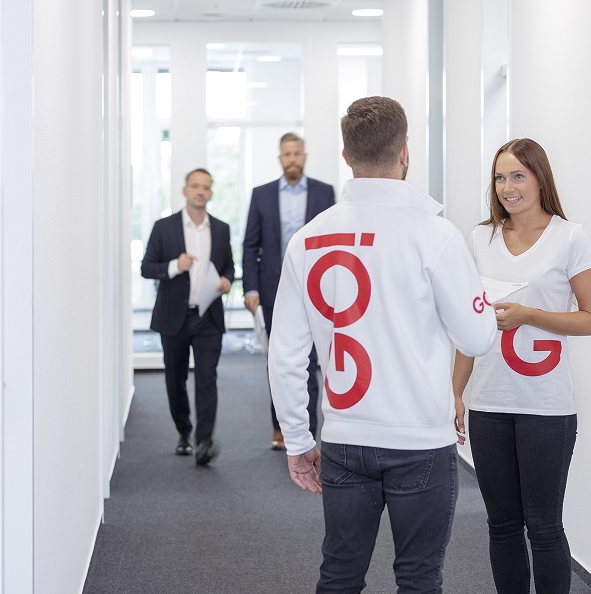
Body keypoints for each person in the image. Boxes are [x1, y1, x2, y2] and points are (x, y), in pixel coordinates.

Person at [267, 96, 497, 593]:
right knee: (417, 577)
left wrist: (299, 440)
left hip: (345, 437)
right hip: (419, 441)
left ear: (346, 157)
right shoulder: (436, 235)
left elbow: (286, 354)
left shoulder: (307, 238)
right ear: (405, 153)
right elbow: (477, 336)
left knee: (340, 574)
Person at [452, 139, 591, 594]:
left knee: (542, 526)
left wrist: (529, 315)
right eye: (500, 177)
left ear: (540, 178)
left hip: (546, 406)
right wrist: (455, 392)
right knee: (501, 525)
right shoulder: (481, 238)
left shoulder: (570, 236)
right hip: (489, 402)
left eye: (518, 175)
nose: (507, 187)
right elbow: (469, 324)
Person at [242, 132, 335, 450]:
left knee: (311, 360)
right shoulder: (261, 195)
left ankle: (308, 428)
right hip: (272, 289)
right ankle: (280, 427)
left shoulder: (324, 193)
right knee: (280, 358)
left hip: (316, 289)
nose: (292, 159)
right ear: (279, 158)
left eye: (296, 153)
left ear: (304, 156)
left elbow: (335, 240)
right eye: (286, 154)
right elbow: (250, 245)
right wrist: (250, 286)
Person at [141, 168, 235, 466]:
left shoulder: (220, 229)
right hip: (174, 316)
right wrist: (174, 266)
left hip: (208, 316)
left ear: (210, 193)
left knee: (207, 378)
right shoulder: (163, 227)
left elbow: (230, 266)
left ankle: (204, 441)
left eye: (206, 187)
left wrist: (226, 280)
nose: (200, 191)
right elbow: (146, 267)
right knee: (175, 377)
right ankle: (184, 430)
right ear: (184, 191)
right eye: (195, 186)